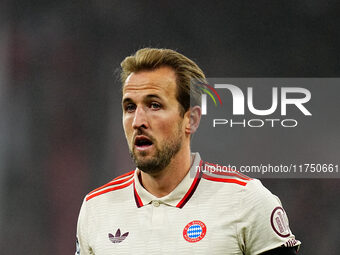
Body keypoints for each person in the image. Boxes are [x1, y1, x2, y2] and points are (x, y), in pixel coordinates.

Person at [75, 48, 301, 255]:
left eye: (154, 105)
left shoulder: (246, 200)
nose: (138, 121)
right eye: (130, 107)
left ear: (191, 119)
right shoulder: (96, 208)